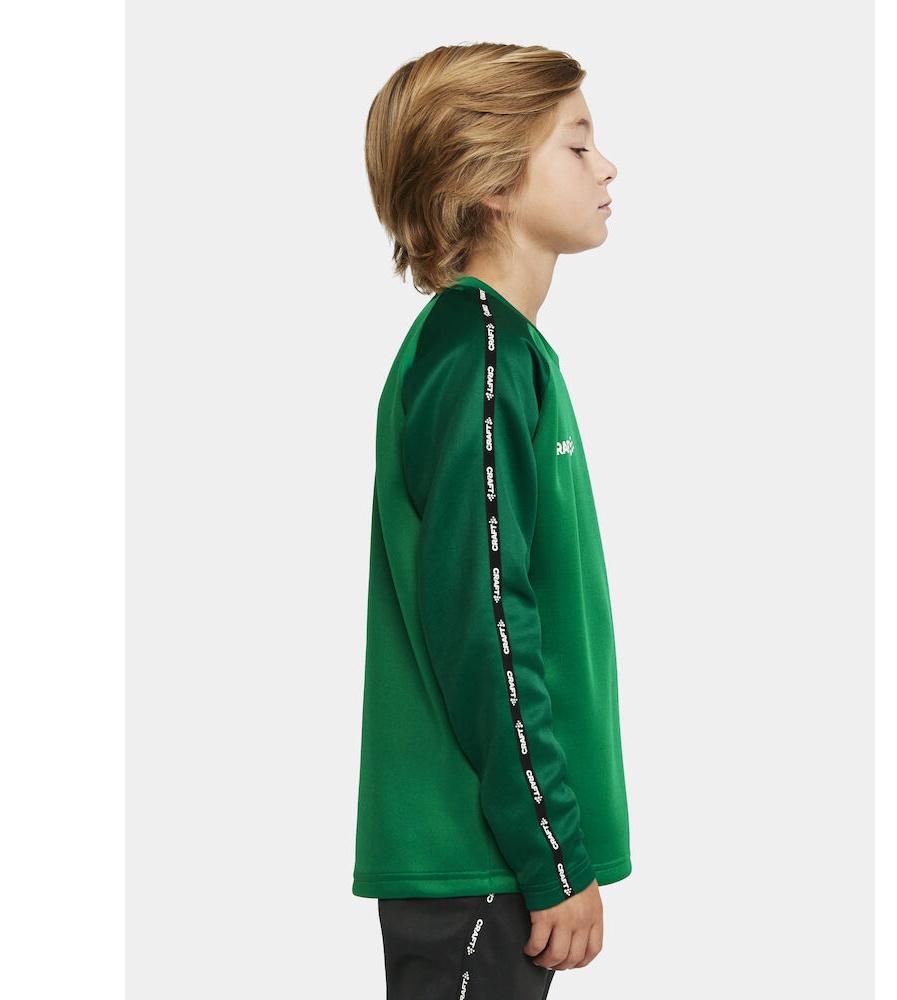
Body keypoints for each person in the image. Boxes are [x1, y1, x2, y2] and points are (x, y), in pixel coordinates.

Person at [353, 42, 631, 999]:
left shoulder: (504, 349)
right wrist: (552, 851)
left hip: (493, 853)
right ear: (492, 182)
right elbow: (488, 623)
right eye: (577, 145)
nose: (607, 167)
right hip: (483, 855)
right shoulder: (477, 353)